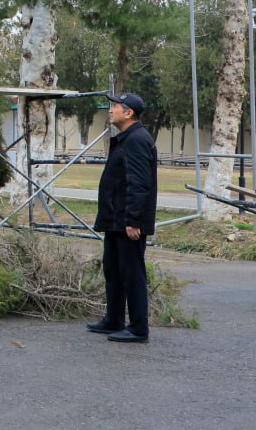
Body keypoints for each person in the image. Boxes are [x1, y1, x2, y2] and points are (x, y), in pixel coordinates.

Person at [87, 91, 158, 343]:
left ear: (128, 113)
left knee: (131, 273)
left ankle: (139, 328)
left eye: (115, 106)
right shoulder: (126, 138)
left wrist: (133, 220)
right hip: (115, 220)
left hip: (127, 222)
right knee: (114, 271)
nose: (110, 110)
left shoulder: (137, 139)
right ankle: (114, 319)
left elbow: (139, 183)